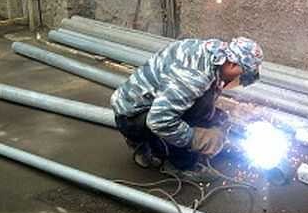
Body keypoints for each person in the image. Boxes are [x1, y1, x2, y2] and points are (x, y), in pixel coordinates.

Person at [111, 37, 263, 182]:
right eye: (242, 75)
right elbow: (159, 121)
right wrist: (196, 139)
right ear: (232, 65)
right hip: (133, 117)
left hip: (141, 103)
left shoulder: (213, 52)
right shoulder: (194, 79)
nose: (238, 80)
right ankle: (181, 165)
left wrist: (214, 116)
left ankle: (146, 144)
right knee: (192, 115)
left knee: (209, 111)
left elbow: (205, 91)